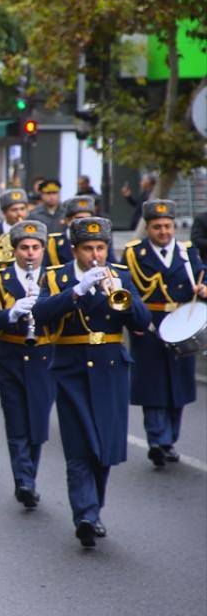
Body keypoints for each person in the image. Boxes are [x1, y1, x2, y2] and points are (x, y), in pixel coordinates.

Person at [33, 217, 151, 547]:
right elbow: (40, 315)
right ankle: (85, 514)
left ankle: (94, 509)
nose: (95, 255)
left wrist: (120, 294)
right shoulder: (56, 277)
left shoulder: (120, 275)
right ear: (75, 250)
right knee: (79, 444)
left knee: (104, 445)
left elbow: (142, 322)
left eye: (100, 248)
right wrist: (77, 291)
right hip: (71, 369)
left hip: (111, 368)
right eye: (88, 248)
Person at [0, 220, 56, 508]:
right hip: (10, 355)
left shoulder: (55, 278)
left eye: (35, 247)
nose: (30, 253)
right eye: (24, 248)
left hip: (45, 357)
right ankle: (24, 481)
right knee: (16, 421)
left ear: (43, 250)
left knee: (38, 422)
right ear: (15, 250)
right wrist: (10, 313)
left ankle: (29, 475)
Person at [122, 200, 207, 467]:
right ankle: (157, 441)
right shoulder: (134, 253)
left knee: (177, 385)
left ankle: (169, 440)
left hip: (182, 324)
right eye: (157, 226)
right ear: (148, 228)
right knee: (153, 386)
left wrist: (204, 289)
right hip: (150, 325)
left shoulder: (187, 252)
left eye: (168, 226)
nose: (163, 231)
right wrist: (134, 324)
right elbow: (126, 292)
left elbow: (202, 274)